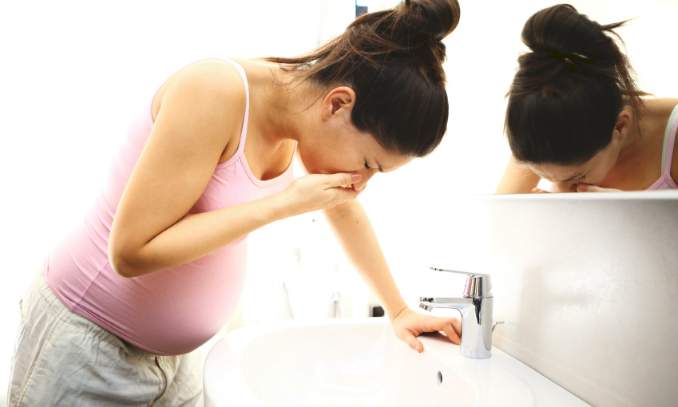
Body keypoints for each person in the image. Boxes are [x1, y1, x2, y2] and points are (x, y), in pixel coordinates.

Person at [8, 0, 462, 405]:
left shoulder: (299, 116)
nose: (360, 183)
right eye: (367, 163)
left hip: (175, 366)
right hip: (89, 346)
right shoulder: (216, 93)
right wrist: (282, 205)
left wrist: (398, 310)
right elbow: (130, 251)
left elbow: (343, 209)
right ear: (338, 104)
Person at [497, 4, 678, 194]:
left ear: (620, 126)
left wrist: (626, 208)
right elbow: (502, 211)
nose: (562, 190)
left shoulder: (672, 139)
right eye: (544, 176)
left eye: (578, 177)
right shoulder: (541, 137)